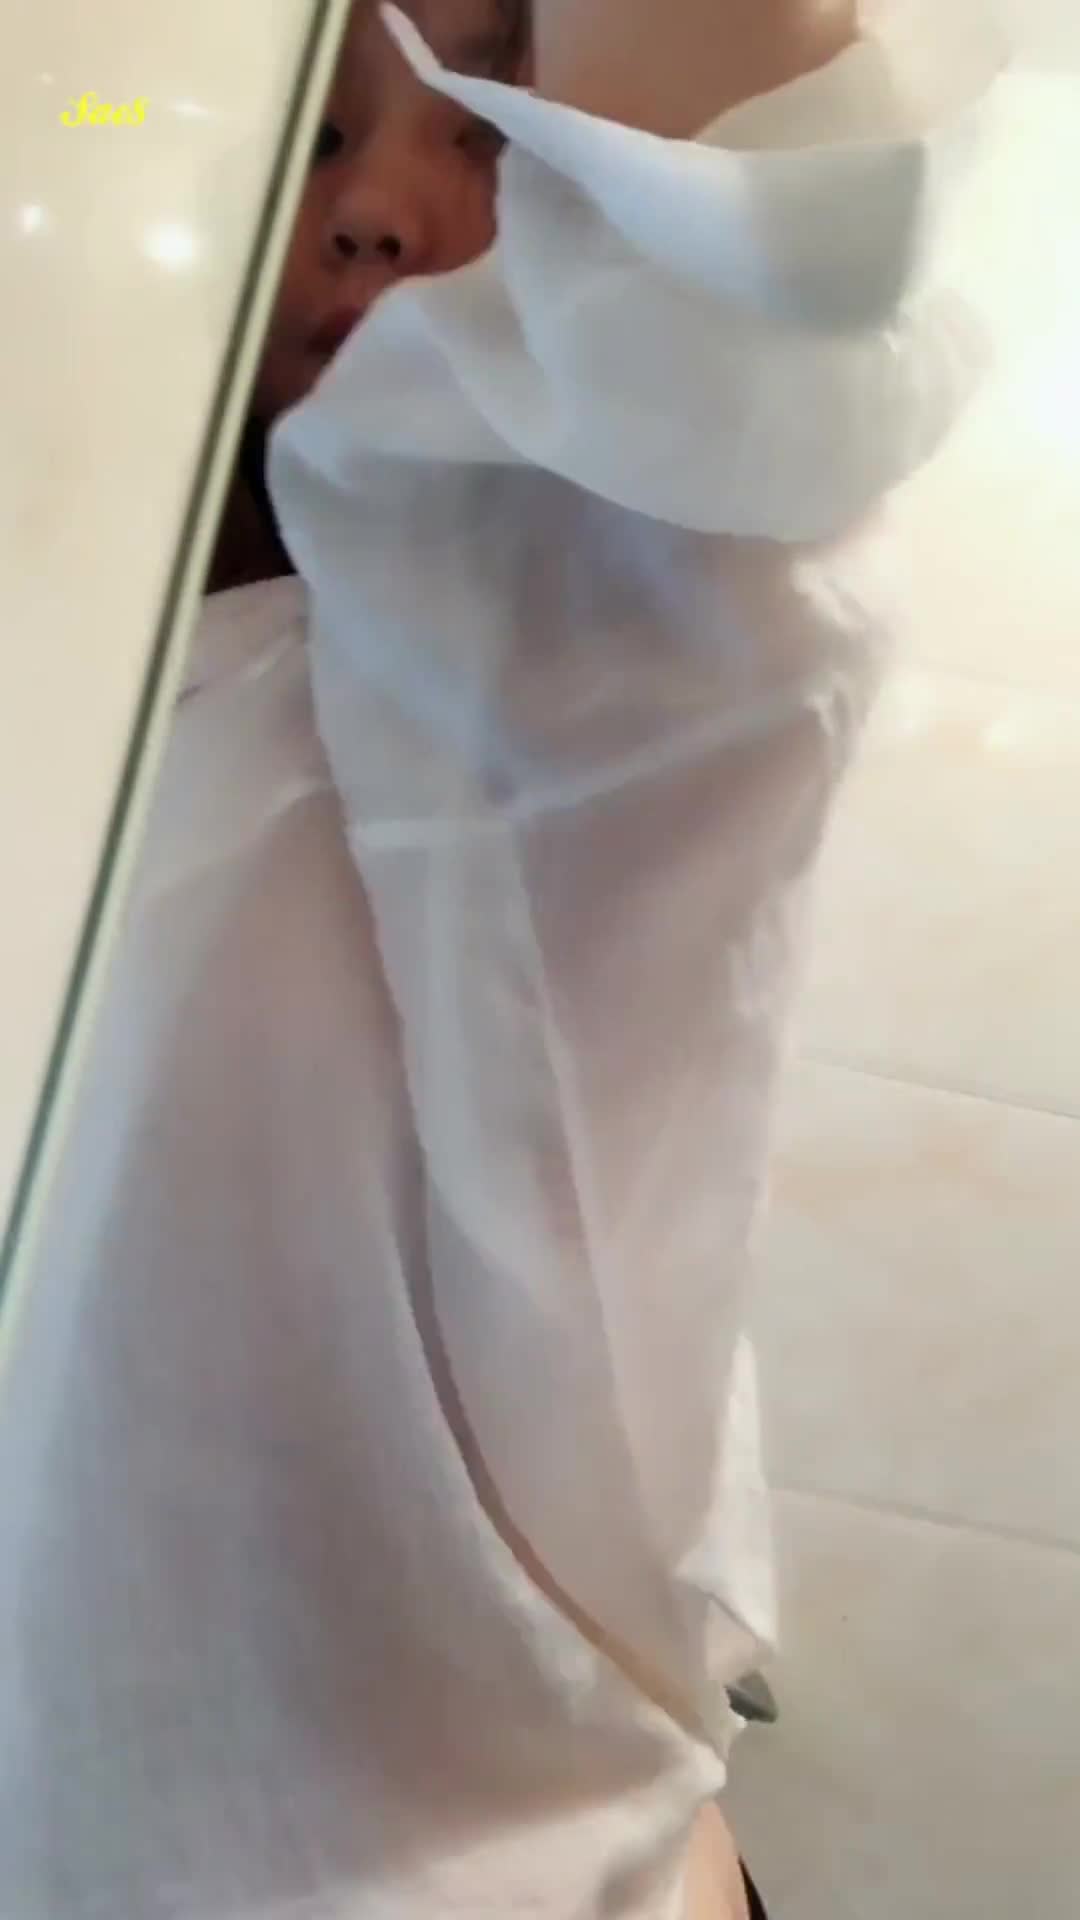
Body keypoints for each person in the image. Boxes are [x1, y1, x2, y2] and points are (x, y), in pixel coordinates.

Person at [0, 4, 999, 1917]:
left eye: (488, 117)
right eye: (312, 128)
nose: (378, 205)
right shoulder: (96, 686)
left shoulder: (572, 652)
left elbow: (747, 265)